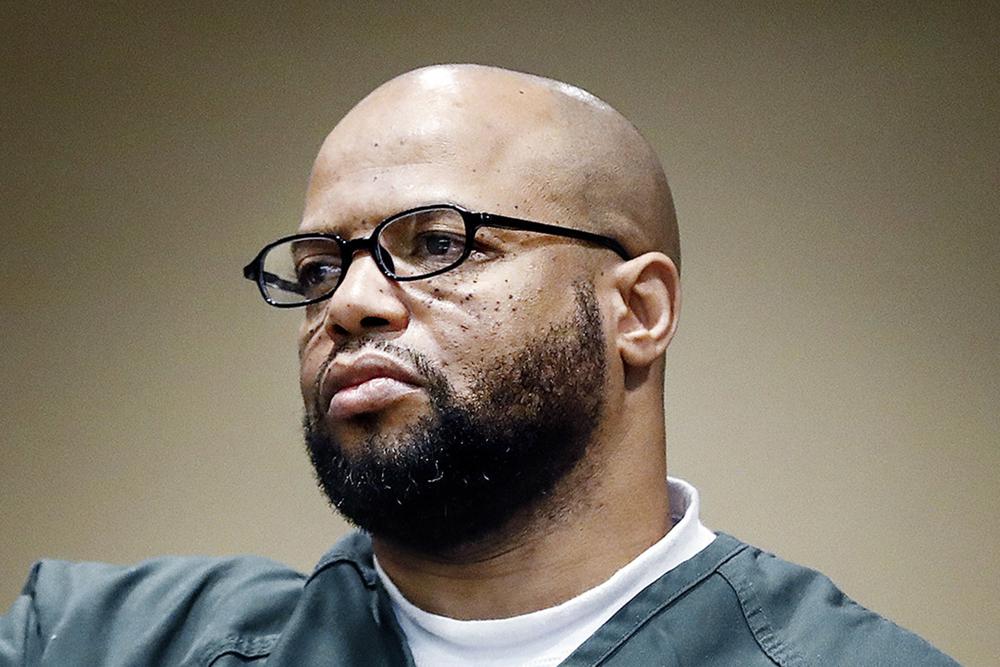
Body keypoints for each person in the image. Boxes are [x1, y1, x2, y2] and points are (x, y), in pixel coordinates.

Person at [1, 65, 956, 666]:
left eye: (436, 243)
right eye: (321, 267)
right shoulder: (94, 638)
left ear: (637, 311)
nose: (349, 302)